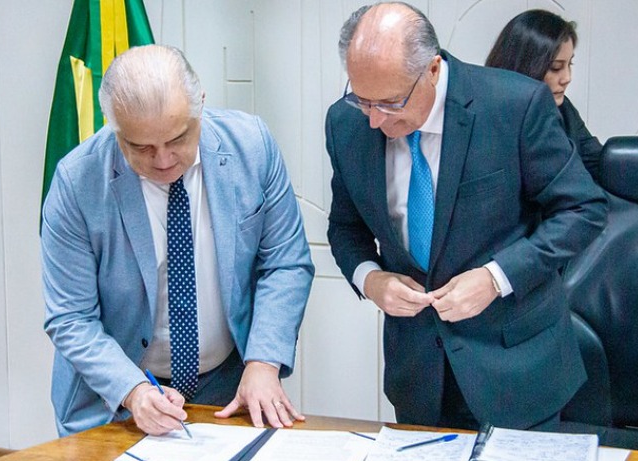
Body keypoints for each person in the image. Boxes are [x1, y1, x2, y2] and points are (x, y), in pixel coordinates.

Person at [325, 2, 607, 431]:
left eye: (390, 103)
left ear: (432, 70)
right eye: (362, 100)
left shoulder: (513, 105)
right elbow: (345, 228)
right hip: (419, 376)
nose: (375, 120)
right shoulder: (345, 125)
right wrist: (371, 279)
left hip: (518, 371)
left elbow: (582, 208)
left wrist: (496, 278)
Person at [41, 44, 314, 437]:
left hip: (228, 386)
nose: (164, 159)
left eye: (178, 138)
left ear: (200, 104)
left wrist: (263, 362)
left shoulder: (251, 147)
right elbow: (71, 318)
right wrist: (133, 391)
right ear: (114, 127)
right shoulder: (78, 183)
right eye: (141, 147)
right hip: (115, 396)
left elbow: (285, 262)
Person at [486, 9, 603, 182]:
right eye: (556, 68)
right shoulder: (488, 119)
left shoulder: (564, 109)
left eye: (569, 64)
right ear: (524, 66)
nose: (567, 78)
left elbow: (598, 162)